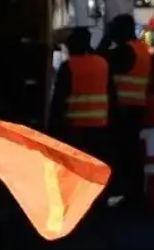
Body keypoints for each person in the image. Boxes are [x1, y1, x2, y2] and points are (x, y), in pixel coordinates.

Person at [96, 14, 154, 207]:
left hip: (122, 110)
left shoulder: (124, 52)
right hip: (137, 107)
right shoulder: (142, 50)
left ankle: (127, 194)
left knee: (120, 153)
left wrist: (105, 39)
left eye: (115, 30)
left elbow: (98, 61)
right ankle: (135, 194)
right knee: (132, 153)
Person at [49, 26, 115, 161]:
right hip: (99, 125)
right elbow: (111, 93)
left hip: (74, 126)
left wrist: (53, 128)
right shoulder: (102, 64)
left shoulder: (69, 66)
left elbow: (58, 99)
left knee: (75, 163)